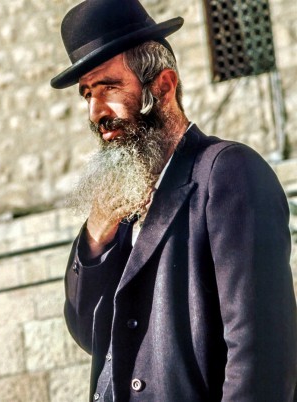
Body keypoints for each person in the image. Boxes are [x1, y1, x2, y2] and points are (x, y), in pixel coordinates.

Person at [51, 0, 297, 401]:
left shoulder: (228, 173)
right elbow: (89, 334)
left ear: (163, 86)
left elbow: (259, 359)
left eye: (110, 86)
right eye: (87, 94)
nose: (97, 111)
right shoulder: (123, 201)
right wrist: (96, 239)